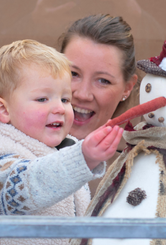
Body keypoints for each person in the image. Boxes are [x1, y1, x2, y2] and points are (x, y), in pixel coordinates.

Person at [0, 39, 123, 245]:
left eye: (65, 99)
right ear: (3, 110)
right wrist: (83, 158)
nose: (59, 108)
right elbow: (24, 185)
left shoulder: (59, 151)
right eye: (42, 99)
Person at [59, 14, 139, 194]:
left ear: (127, 88)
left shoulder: (143, 172)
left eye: (103, 80)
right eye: (73, 74)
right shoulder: (11, 154)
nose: (83, 94)